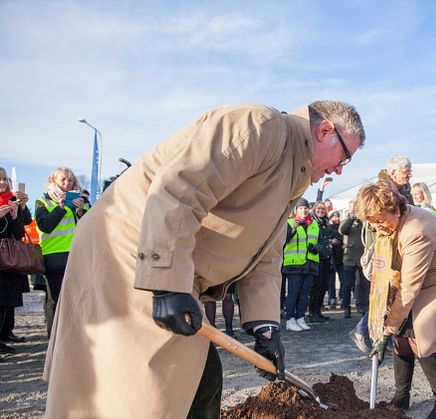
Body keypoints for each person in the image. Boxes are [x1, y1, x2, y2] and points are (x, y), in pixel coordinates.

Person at [44, 101, 366, 418]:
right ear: (325, 130)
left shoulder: (293, 175)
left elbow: (266, 253)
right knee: (145, 385)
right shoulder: (261, 127)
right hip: (130, 250)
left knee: (201, 380)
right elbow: (181, 187)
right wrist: (166, 279)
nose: (339, 170)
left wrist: (266, 327)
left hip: (164, 264)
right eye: (344, 158)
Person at [358, 180, 436, 419]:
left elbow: (409, 289)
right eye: (372, 223)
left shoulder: (416, 230)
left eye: (380, 221)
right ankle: (402, 395)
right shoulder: (394, 222)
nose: (378, 228)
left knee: (420, 334)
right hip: (424, 278)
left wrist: (386, 330)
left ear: (396, 209)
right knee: (401, 337)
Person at [35, 167, 88, 336]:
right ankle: (54, 337)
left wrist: (80, 211)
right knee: (55, 299)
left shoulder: (81, 201)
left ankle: (71, 335)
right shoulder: (43, 201)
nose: (67, 183)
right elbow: (45, 226)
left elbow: (90, 227)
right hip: (53, 256)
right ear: (53, 181)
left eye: (70, 180)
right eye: (63, 180)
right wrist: (61, 207)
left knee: (74, 297)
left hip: (76, 254)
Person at [0, 168, 32, 354]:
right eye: (0, 179)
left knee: (5, 301)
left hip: (9, 257)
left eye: (5, 179)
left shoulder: (12, 201)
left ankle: (4, 334)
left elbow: (20, 232)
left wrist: (14, 216)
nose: (3, 182)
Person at [282, 198, 319, 332]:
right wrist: (293, 229)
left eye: (305, 208)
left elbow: (320, 241)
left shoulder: (314, 224)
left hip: (310, 263)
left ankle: (300, 318)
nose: (304, 210)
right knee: (293, 292)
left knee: (304, 293)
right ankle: (290, 319)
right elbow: (283, 241)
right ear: (296, 210)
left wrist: (317, 248)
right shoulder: (290, 222)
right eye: (301, 208)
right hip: (294, 264)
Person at [308, 200, 333, 323]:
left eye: (323, 209)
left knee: (324, 286)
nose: (321, 211)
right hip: (316, 257)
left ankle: (318, 310)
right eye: (318, 209)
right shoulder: (312, 222)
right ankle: (313, 312)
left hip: (326, 257)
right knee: (316, 287)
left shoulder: (326, 223)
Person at [327, 210, 344, 309]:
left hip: (340, 257)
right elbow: (324, 238)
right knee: (331, 281)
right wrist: (330, 241)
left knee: (343, 280)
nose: (337, 218)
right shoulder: (328, 227)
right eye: (335, 216)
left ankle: (341, 297)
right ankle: (331, 299)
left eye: (338, 216)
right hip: (331, 257)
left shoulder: (340, 228)